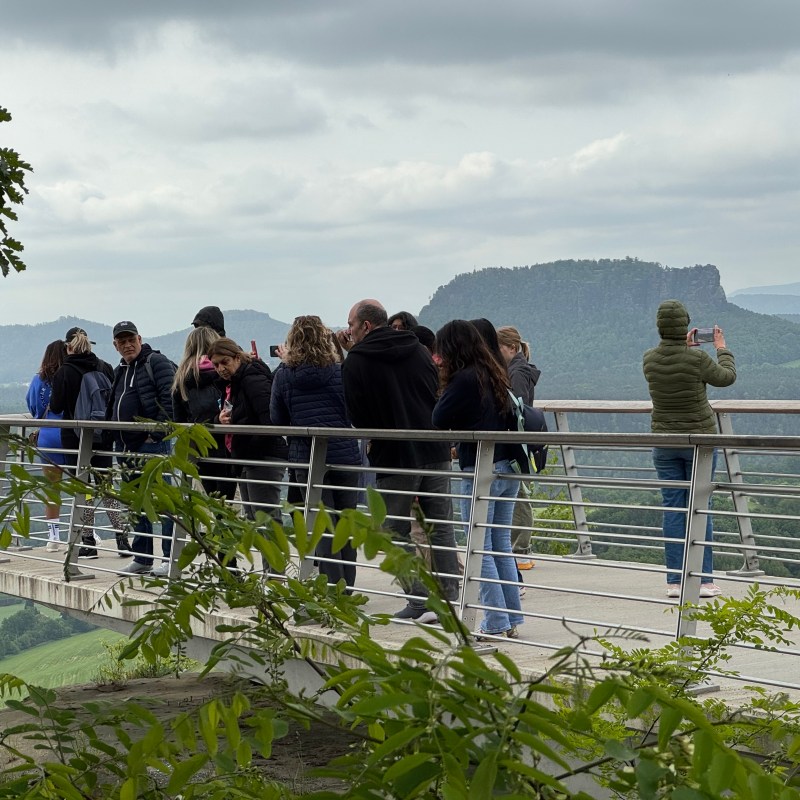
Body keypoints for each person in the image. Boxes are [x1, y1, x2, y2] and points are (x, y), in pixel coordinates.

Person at [341, 299, 459, 622]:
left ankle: (419, 600)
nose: (348, 331)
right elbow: (434, 392)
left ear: (365, 326)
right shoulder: (419, 349)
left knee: (393, 530)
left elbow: (358, 417)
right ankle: (454, 602)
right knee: (441, 528)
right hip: (434, 449)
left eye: (350, 325)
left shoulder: (355, 362)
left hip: (394, 455)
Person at [432, 319, 524, 639]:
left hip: (480, 469)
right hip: (507, 467)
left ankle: (494, 622)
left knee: (478, 547)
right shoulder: (494, 371)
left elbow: (438, 418)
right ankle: (511, 618)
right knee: (499, 544)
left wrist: (444, 383)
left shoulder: (465, 378)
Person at [642, 300, 736, 598]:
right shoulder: (697, 359)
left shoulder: (649, 359)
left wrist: (685, 348)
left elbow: (673, 370)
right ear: (685, 325)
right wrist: (721, 347)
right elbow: (726, 378)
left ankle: (674, 581)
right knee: (700, 507)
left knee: (673, 507)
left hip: (665, 441)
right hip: (700, 441)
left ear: (659, 326)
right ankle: (704, 580)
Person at [270, 315, 362, 591]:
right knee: (347, 521)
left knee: (323, 524)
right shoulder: (340, 372)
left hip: (306, 457)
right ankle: (349, 587)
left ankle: (333, 588)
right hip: (345, 453)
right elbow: (354, 410)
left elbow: (277, 418)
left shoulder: (284, 376)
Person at [207, 337, 288, 567]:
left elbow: (269, 421)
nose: (220, 369)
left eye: (224, 362)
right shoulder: (236, 382)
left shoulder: (252, 379)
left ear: (236, 357)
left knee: (266, 519)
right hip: (247, 458)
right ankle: (270, 575)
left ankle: (275, 576)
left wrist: (246, 441)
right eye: (215, 365)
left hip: (262, 456)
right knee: (255, 519)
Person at [50, 327, 129, 559]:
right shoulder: (104, 366)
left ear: (68, 347)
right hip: (103, 436)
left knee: (83, 489)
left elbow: (56, 406)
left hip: (75, 438)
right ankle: (122, 538)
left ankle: (88, 541)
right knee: (106, 486)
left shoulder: (64, 371)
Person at [107, 321, 177, 576]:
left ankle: (170, 558)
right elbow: (113, 404)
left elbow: (169, 399)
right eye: (121, 342)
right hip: (126, 448)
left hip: (152, 447)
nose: (127, 345)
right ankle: (143, 557)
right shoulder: (121, 370)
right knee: (136, 504)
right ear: (115, 345)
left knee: (163, 502)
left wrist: (154, 434)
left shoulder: (155, 362)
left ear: (139, 338)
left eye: (130, 340)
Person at [496, 325, 542, 573]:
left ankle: (521, 550)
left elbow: (517, 405)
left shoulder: (518, 372)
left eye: (498, 348)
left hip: (515, 442)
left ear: (511, 347)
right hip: (516, 441)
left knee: (518, 496)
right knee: (516, 494)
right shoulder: (515, 368)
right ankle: (519, 549)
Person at [171, 326, 234, 502]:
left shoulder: (181, 380)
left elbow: (179, 421)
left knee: (209, 504)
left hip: (199, 450)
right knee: (230, 506)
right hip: (227, 448)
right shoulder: (225, 375)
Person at [26, 341, 67, 552]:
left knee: (52, 489)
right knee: (84, 485)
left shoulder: (38, 380)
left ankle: (53, 537)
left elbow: (32, 405)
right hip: (71, 435)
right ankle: (87, 533)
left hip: (47, 437)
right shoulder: (69, 375)